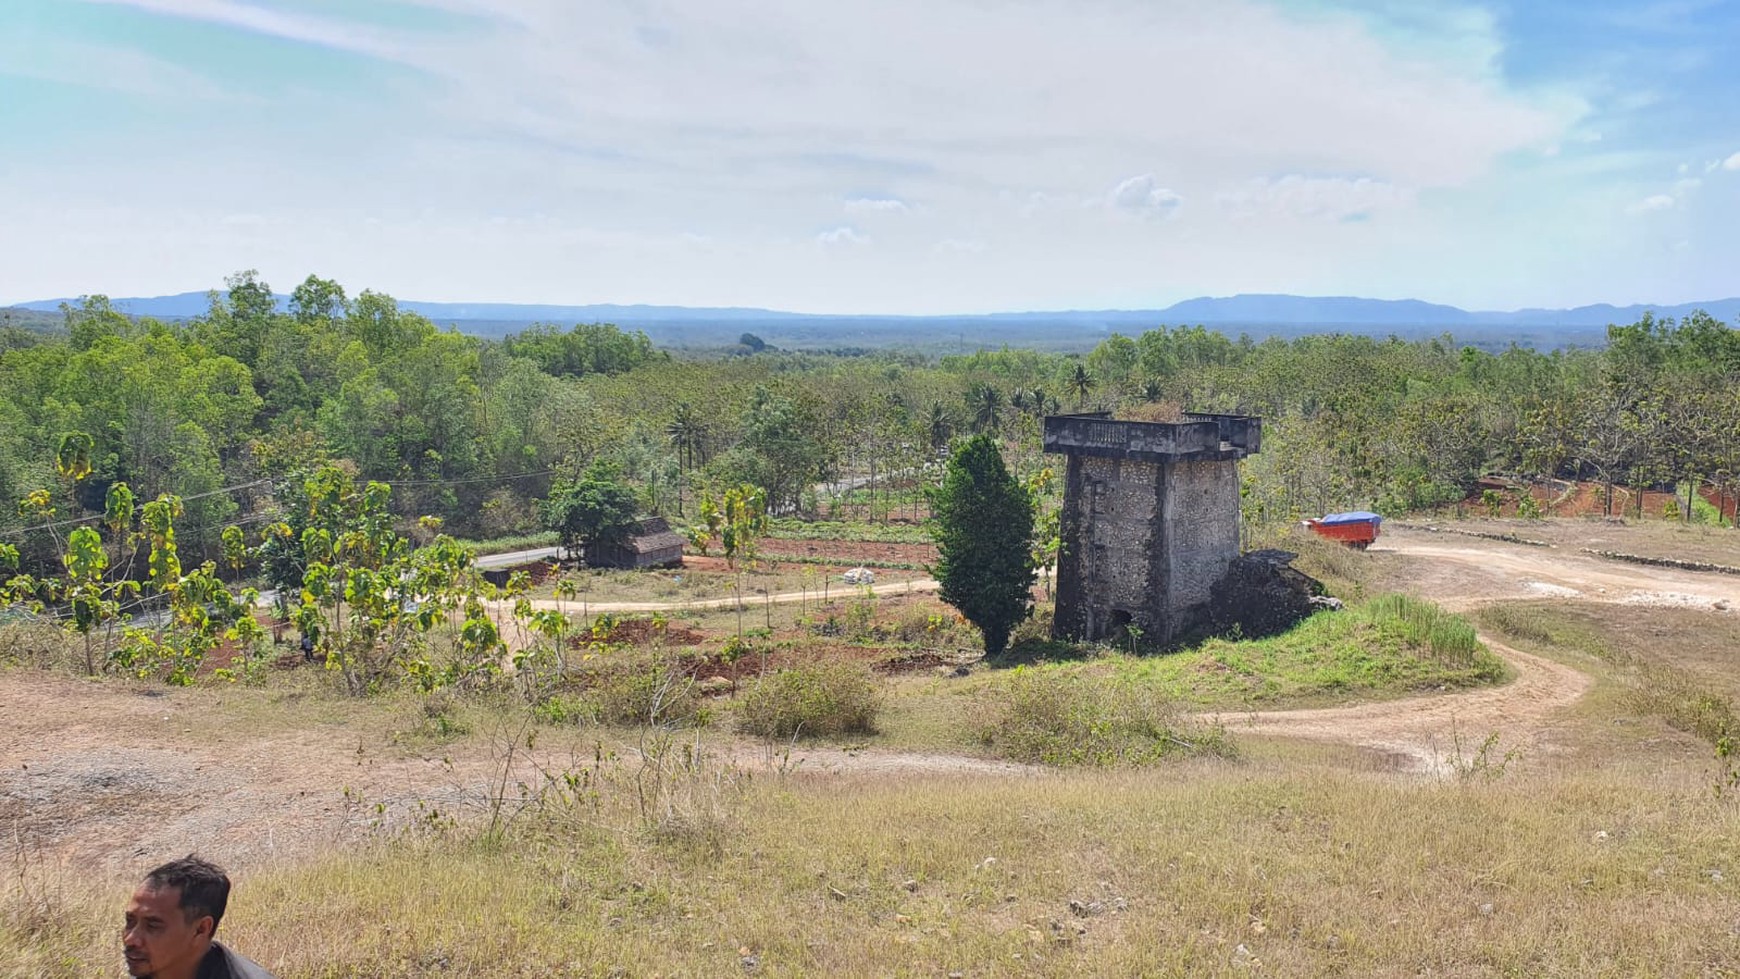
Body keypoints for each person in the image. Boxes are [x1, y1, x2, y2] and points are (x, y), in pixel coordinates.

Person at [123, 855, 275, 979]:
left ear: (200, 930)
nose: (130, 938)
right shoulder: (151, 968)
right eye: (130, 921)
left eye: (153, 926)